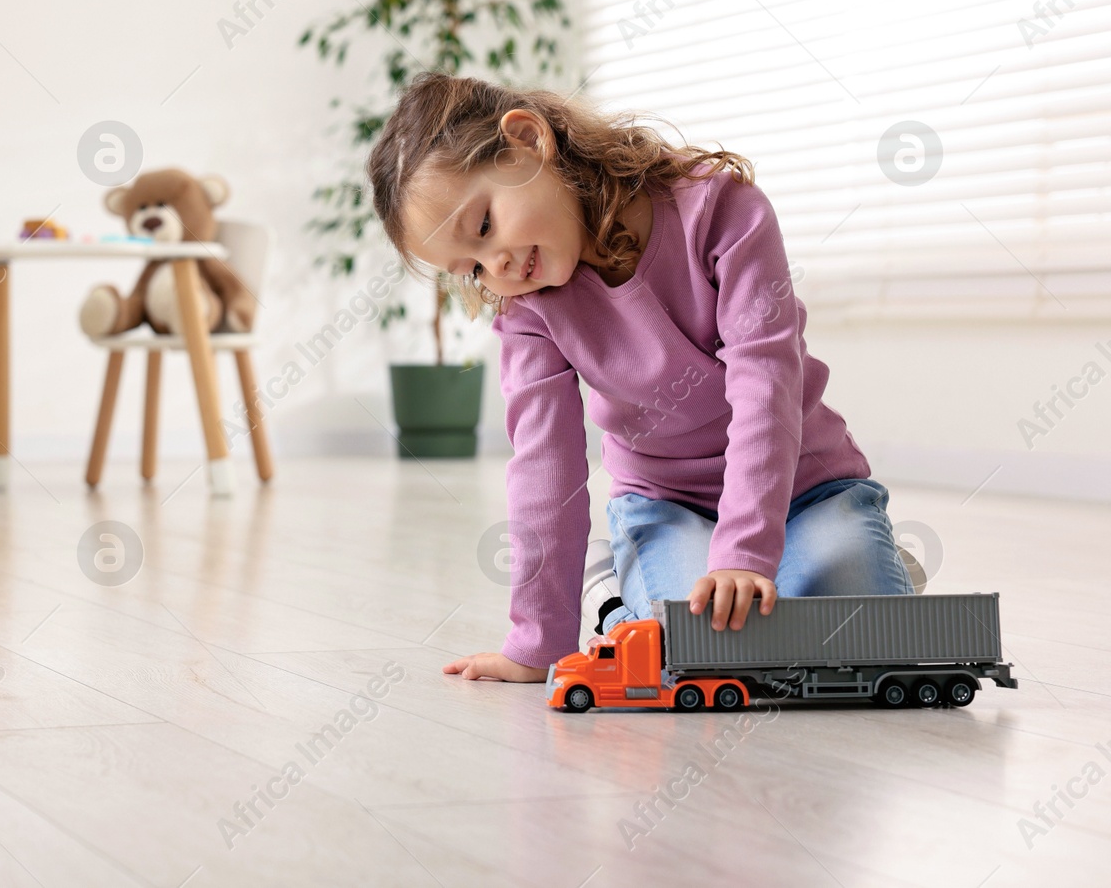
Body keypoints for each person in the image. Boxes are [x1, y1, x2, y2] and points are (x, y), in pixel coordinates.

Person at [366, 73, 916, 682]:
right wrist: (538, 641)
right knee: (701, 648)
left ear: (528, 143)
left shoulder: (720, 209)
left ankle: (850, 554)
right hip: (668, 504)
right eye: (470, 268)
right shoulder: (528, 311)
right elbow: (543, 468)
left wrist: (744, 552)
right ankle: (618, 590)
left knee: (873, 636)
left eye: (486, 226)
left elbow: (766, 382)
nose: (494, 266)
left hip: (807, 489)